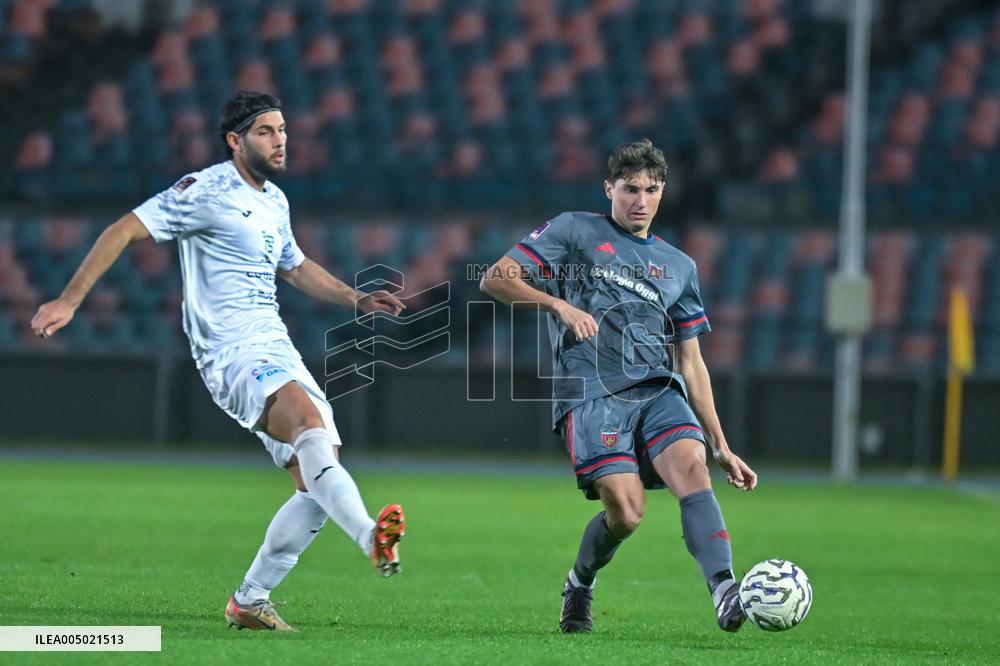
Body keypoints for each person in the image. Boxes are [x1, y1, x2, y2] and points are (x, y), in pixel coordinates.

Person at [30, 91, 407, 632]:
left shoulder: (275, 200)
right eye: (265, 132)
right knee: (307, 424)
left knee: (317, 473)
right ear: (235, 140)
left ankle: (250, 601)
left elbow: (295, 267)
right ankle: (370, 536)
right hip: (229, 350)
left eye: (282, 130)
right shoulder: (204, 190)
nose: (280, 140)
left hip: (273, 343)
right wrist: (69, 298)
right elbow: (124, 229)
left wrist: (355, 298)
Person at [480, 139, 758, 633]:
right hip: (590, 391)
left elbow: (691, 363)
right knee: (627, 514)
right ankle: (579, 582)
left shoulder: (680, 267)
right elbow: (496, 280)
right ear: (609, 188)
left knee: (693, 469)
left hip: (656, 387)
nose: (640, 201)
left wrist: (721, 444)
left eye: (651, 190)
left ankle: (724, 588)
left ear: (662, 193)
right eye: (630, 189)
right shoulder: (573, 230)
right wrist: (557, 305)